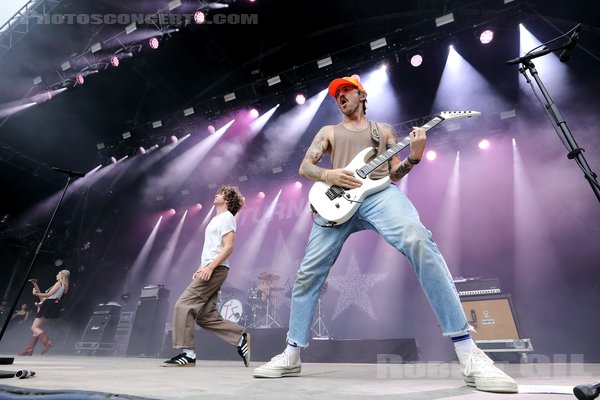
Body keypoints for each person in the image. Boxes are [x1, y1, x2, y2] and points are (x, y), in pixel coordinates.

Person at [252, 75, 518, 393]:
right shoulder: (328, 132)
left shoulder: (385, 131)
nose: (340, 96)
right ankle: (292, 353)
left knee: (419, 239)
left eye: (346, 90)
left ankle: (468, 352)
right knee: (307, 274)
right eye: (336, 94)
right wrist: (330, 173)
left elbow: (394, 172)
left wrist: (415, 157)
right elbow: (306, 167)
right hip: (337, 204)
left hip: (379, 195)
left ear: (362, 95)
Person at [162, 185, 251, 367]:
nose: (216, 194)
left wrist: (210, 267)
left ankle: (188, 354)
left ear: (227, 200)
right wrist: (201, 266)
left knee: (183, 305)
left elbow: (228, 247)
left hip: (216, 270)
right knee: (205, 316)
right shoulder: (217, 219)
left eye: (221, 193)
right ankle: (240, 336)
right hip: (211, 268)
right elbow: (212, 248)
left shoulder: (227, 218)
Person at [18, 269, 70, 356]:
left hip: (49, 305)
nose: (56, 275)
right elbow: (44, 298)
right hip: (51, 305)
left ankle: (47, 342)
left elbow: (48, 295)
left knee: (34, 327)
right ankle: (29, 349)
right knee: (37, 329)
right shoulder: (63, 286)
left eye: (58, 274)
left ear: (62, 276)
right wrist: (35, 285)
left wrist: (35, 294)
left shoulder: (58, 283)